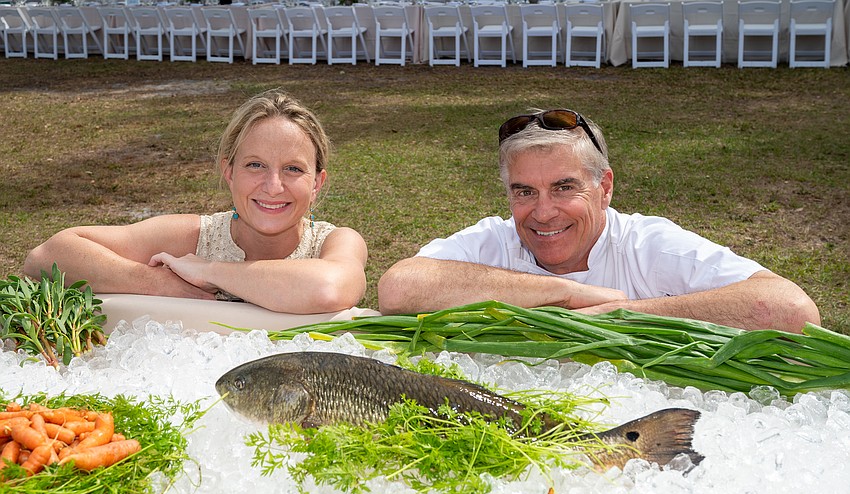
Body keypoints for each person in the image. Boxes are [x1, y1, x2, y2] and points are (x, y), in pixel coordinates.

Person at [378, 108, 820, 333]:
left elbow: (792, 311)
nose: (543, 211)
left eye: (565, 187)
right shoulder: (493, 241)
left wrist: (626, 312)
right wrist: (567, 295)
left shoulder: (647, 244)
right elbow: (398, 288)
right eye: (524, 191)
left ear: (605, 187)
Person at [24, 89, 367, 315]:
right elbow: (44, 258)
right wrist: (156, 282)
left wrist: (209, 272)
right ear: (229, 172)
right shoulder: (196, 236)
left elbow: (328, 287)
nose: (273, 186)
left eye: (292, 169)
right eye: (255, 165)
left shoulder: (334, 242)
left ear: (318, 182)